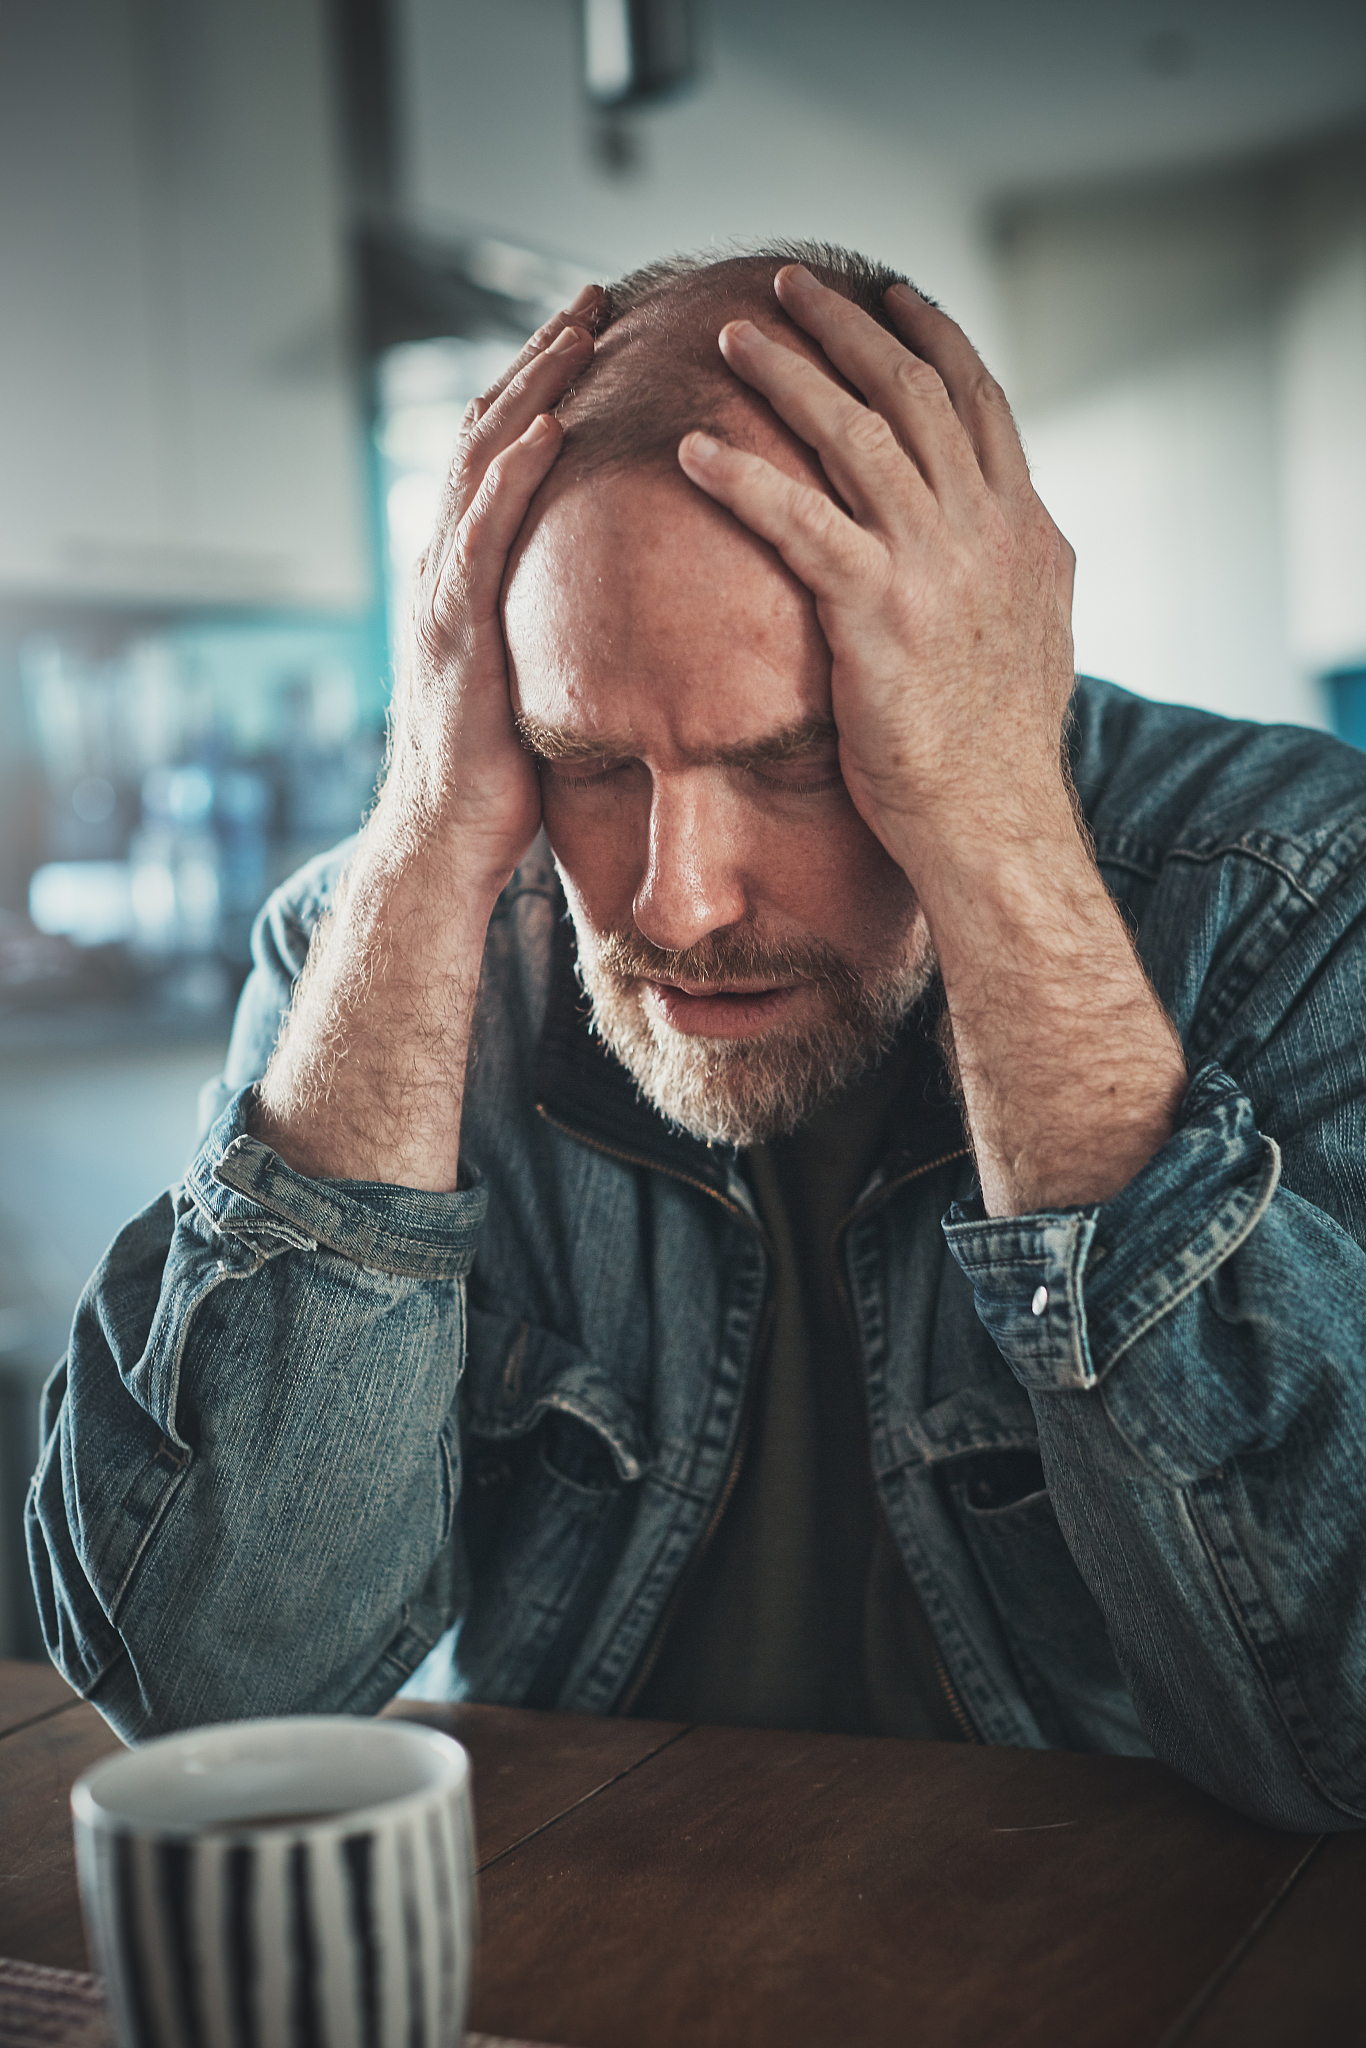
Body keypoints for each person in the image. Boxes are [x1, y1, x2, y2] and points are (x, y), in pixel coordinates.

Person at [27, 245, 1366, 1831]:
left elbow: (1331, 1737)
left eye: (799, 761)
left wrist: (998, 838)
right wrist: (425, 825)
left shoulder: (1295, 894)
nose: (678, 901)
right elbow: (205, 1699)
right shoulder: (386, 933)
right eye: (585, 760)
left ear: (996, 667)